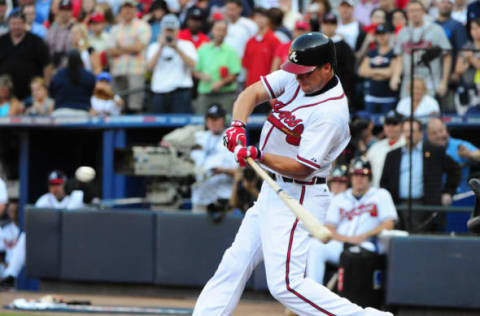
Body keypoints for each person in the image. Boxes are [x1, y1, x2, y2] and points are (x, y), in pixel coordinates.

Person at [193, 32, 393, 316]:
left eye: (305, 74)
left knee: (285, 285)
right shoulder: (297, 73)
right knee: (235, 262)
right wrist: (237, 125)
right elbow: (251, 93)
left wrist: (259, 155)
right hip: (272, 188)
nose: (298, 80)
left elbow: (303, 167)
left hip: (300, 194)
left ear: (327, 68)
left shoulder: (331, 113)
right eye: (296, 72)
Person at [307, 157, 397, 285]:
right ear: (350, 177)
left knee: (359, 254)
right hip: (342, 244)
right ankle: (313, 293)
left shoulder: (381, 195)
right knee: (315, 245)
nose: (359, 178)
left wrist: (364, 236)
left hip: (367, 245)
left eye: (363, 174)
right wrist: (347, 239)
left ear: (369, 177)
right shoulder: (340, 198)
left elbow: (389, 224)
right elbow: (329, 228)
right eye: (355, 174)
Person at [380, 119, 461, 232]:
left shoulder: (435, 152)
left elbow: (455, 170)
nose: (409, 134)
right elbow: (384, 182)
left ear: (421, 133)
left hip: (426, 206)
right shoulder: (392, 155)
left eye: (412, 131)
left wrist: (448, 192)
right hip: (398, 206)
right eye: (406, 131)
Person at [391, 0, 452, 99]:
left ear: (423, 11)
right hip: (409, 79)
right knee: (406, 110)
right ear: (407, 14)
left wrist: (444, 81)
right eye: (411, 11)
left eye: (417, 10)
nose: (414, 14)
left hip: (429, 78)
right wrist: (396, 76)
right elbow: (399, 57)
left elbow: (447, 56)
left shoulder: (436, 29)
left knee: (427, 111)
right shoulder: (403, 31)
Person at [190, 104, 236, 214]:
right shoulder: (198, 137)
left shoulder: (232, 138)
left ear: (224, 120)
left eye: (216, 119)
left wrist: (222, 170)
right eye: (210, 119)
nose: (213, 122)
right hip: (200, 198)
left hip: (222, 199)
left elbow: (241, 172)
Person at [107, 0, 151, 113]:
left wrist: (120, 47)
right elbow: (111, 51)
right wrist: (131, 46)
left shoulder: (143, 26)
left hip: (136, 71)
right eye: (125, 8)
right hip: (118, 71)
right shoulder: (115, 29)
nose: (127, 10)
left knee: (135, 106)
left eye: (130, 7)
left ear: (135, 10)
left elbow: (139, 47)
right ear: (120, 10)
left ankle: (136, 131)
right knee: (117, 107)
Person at [147, 14, 197, 113]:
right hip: (159, 92)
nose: (169, 34)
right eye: (167, 30)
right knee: (158, 127)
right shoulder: (154, 46)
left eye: (172, 30)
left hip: (180, 92)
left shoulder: (187, 45)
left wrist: (176, 48)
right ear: (162, 31)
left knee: (182, 127)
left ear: (177, 31)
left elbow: (192, 65)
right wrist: (160, 47)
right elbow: (149, 67)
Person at [0, 9, 51, 101]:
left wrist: (46, 87)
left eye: (19, 23)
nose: (16, 27)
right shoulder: (2, 41)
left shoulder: (36, 41)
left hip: (31, 95)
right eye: (13, 23)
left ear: (24, 24)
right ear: (9, 24)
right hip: (5, 97)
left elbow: (47, 65)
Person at [193, 19, 241, 115]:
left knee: (226, 123)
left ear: (226, 33)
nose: (221, 33)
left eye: (223, 30)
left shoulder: (231, 51)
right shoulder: (202, 49)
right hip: (205, 93)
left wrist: (221, 83)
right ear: (212, 31)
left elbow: (235, 74)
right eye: (218, 29)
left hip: (225, 94)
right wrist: (202, 76)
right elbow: (195, 71)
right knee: (200, 123)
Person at [426, 117, 480, 193]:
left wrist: (470, 154)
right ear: (428, 136)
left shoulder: (458, 145)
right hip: (433, 193)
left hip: (460, 193)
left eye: (441, 131)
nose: (439, 135)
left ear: (446, 131)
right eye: (434, 133)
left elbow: (478, 154)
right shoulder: (425, 149)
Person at [359, 24, 399, 114]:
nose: (381, 36)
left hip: (388, 98)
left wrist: (372, 72)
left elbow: (390, 72)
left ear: (389, 35)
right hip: (371, 97)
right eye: (378, 34)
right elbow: (362, 71)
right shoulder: (371, 52)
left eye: (383, 34)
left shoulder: (394, 52)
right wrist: (381, 72)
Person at [319, 13, 356, 103]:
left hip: (338, 90)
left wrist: (346, 93)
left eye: (332, 23)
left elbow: (349, 71)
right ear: (321, 25)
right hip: (318, 90)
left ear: (336, 26)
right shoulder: (316, 43)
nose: (329, 26)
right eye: (326, 23)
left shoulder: (343, 46)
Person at [242, 7, 280, 89]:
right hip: (251, 87)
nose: (259, 19)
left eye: (262, 16)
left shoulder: (274, 40)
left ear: (268, 19)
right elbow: (247, 67)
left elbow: (277, 66)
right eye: (257, 17)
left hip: (267, 88)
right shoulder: (250, 42)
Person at [49, 49, 96, 116]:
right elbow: (92, 93)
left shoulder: (58, 75)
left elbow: (52, 94)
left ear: (67, 60)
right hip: (82, 113)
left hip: (60, 113)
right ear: (80, 60)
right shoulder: (88, 76)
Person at [366, 110, 405, 187]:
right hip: (377, 192)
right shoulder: (375, 147)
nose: (390, 127)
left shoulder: (407, 146)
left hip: (399, 193)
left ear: (402, 126)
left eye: (394, 123)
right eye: (387, 123)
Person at [0, 200, 25, 289]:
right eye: (11, 211)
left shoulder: (21, 229)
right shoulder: (5, 228)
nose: (13, 213)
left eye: (15, 210)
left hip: (20, 267)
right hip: (5, 266)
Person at [46, 0, 75, 70]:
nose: (64, 13)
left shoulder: (76, 28)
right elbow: (47, 47)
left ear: (72, 12)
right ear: (58, 11)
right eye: (62, 10)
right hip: (52, 64)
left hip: (69, 66)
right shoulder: (52, 28)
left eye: (67, 10)